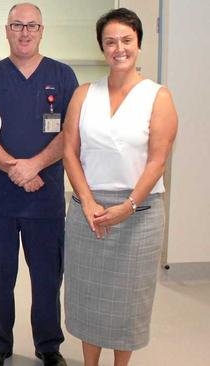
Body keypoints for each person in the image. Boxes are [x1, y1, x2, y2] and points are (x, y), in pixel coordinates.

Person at [62, 8, 178, 366]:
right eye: (110, 42)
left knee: (127, 302)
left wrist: (127, 206)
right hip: (89, 211)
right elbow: (69, 150)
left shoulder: (158, 97)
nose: (119, 48)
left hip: (138, 215)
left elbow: (157, 161)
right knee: (89, 297)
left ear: (139, 44)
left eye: (126, 40)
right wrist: (87, 202)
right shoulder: (84, 95)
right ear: (101, 48)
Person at [0, 3, 78, 366]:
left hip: (45, 200)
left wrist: (35, 166)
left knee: (47, 278)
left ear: (42, 30)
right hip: (0, 198)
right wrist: (15, 167)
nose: (25, 32)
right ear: (7, 30)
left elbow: (70, 133)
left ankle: (49, 346)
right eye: (18, 25)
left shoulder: (62, 77)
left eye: (32, 25)